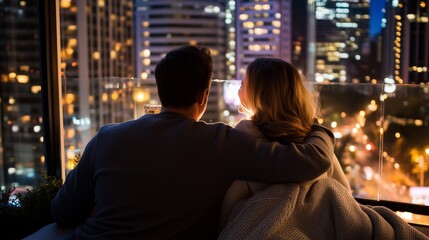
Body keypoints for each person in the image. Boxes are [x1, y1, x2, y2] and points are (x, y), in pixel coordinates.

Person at [48, 45, 335, 239]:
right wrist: (318, 127)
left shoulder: (106, 137)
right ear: (204, 95)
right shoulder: (223, 143)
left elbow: (62, 210)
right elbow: (310, 160)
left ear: (160, 90)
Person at [218, 58, 350, 231]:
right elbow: (345, 194)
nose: (238, 90)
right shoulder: (317, 144)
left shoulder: (242, 136)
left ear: (259, 95)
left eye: (242, 86)